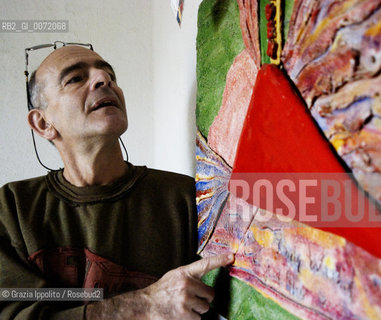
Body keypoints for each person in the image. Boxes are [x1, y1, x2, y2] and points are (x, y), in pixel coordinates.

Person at [0, 45, 234, 319]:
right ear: (43, 123)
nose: (103, 79)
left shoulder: (186, 197)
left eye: (109, 74)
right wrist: (145, 304)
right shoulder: (13, 207)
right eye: (75, 78)